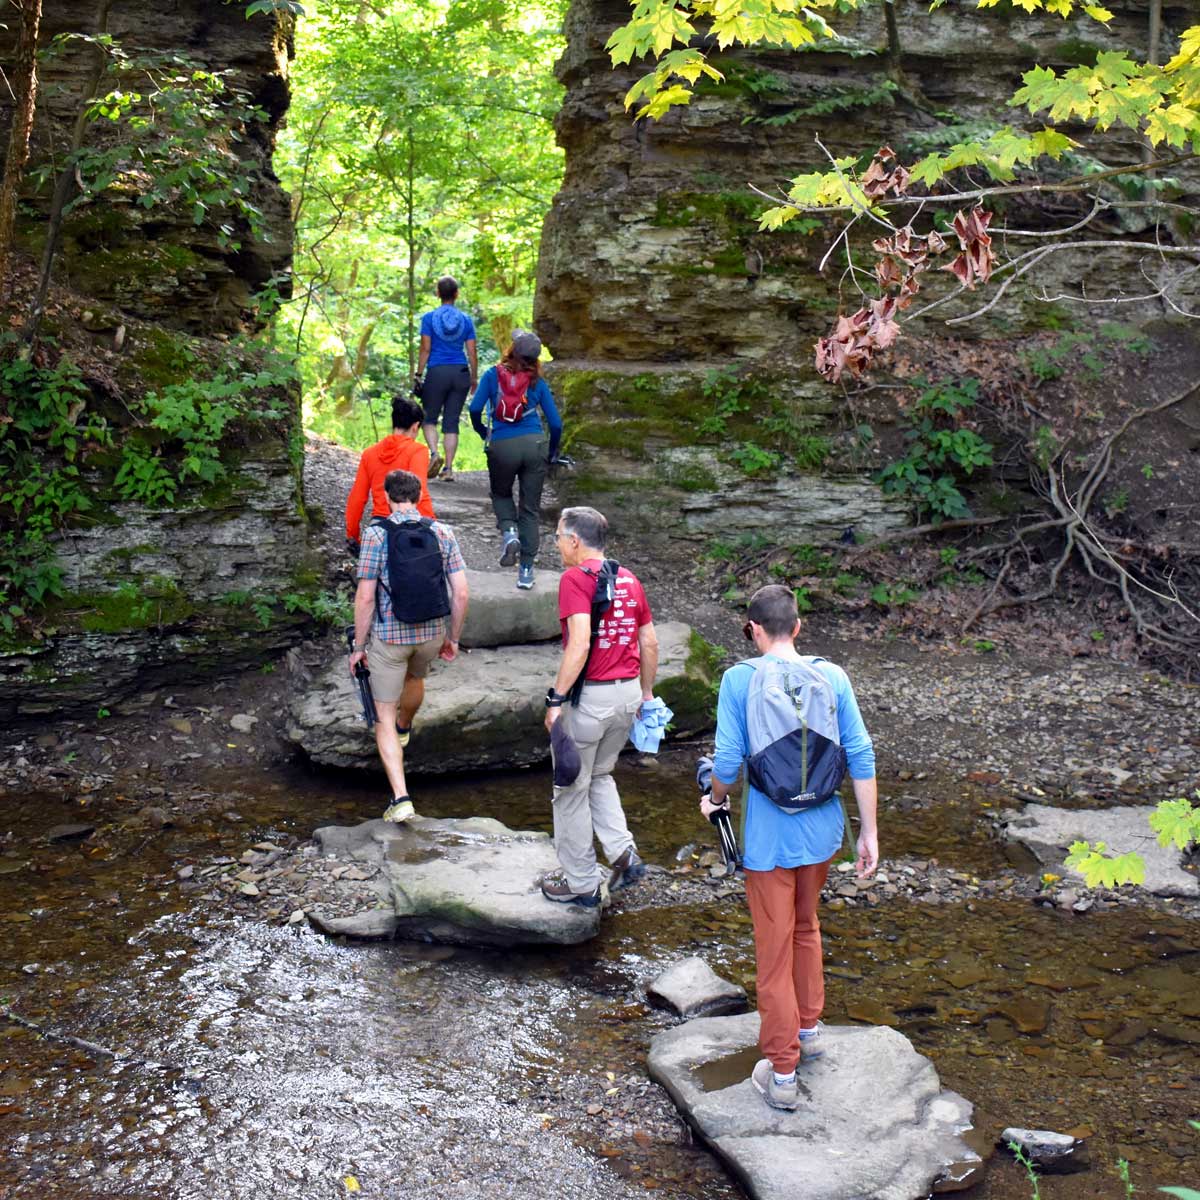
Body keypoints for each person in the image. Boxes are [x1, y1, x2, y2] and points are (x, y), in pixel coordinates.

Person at [700, 584, 878, 1111]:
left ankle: (781, 1074)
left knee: (772, 951)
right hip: (823, 830)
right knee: (807, 926)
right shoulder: (833, 675)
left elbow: (729, 760)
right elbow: (861, 754)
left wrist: (715, 798)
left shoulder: (738, 679)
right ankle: (809, 1031)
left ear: (753, 629)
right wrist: (868, 832)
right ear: (797, 627)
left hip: (769, 839)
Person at [541, 506, 657, 907]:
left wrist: (555, 699)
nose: (556, 544)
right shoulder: (628, 578)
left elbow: (580, 643)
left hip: (590, 699)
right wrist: (645, 696)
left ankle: (581, 884)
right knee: (601, 776)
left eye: (558, 536)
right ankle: (624, 855)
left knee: (570, 789)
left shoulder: (575, 578)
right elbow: (650, 642)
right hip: (626, 697)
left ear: (574, 540)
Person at [349, 468, 469, 822]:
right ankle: (405, 728)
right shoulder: (442, 532)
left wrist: (359, 646)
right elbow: (461, 592)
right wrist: (454, 638)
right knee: (415, 680)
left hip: (390, 638)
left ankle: (401, 799)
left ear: (386, 497)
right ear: (418, 496)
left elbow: (365, 598)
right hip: (431, 633)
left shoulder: (375, 536)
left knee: (380, 715)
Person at [468, 330, 562, 590]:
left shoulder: (492, 375)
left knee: (501, 494)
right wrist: (552, 452)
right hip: (534, 445)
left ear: (511, 349)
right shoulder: (537, 383)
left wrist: (483, 431)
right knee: (530, 508)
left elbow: (474, 409)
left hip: (501, 444)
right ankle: (526, 572)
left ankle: (509, 532)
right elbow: (555, 423)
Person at [344, 396, 435, 556]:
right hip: (410, 527)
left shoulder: (370, 453)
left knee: (373, 578)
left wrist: (352, 535)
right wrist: (431, 526)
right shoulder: (417, 451)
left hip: (379, 526)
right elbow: (419, 493)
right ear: (415, 426)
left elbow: (357, 498)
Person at [416, 275, 478, 481]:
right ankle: (448, 469)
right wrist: (474, 378)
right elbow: (472, 352)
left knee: (429, 418)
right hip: (460, 372)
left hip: (437, 371)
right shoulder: (466, 320)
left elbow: (426, 348)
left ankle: (434, 454)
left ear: (438, 294)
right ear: (456, 294)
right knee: (451, 422)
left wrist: (418, 373)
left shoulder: (429, 318)